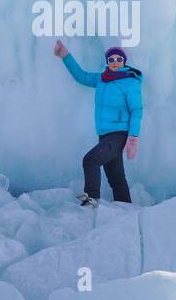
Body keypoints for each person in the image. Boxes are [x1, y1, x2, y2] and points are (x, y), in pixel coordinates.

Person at [54, 39, 141, 207]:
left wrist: (133, 139)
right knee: (116, 177)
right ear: (107, 62)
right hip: (105, 134)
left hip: (119, 134)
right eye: (111, 60)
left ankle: (91, 200)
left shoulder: (130, 82)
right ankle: (126, 210)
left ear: (124, 61)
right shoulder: (102, 79)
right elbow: (82, 76)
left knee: (90, 160)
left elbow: (136, 111)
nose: (115, 62)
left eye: (118, 59)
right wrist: (65, 55)